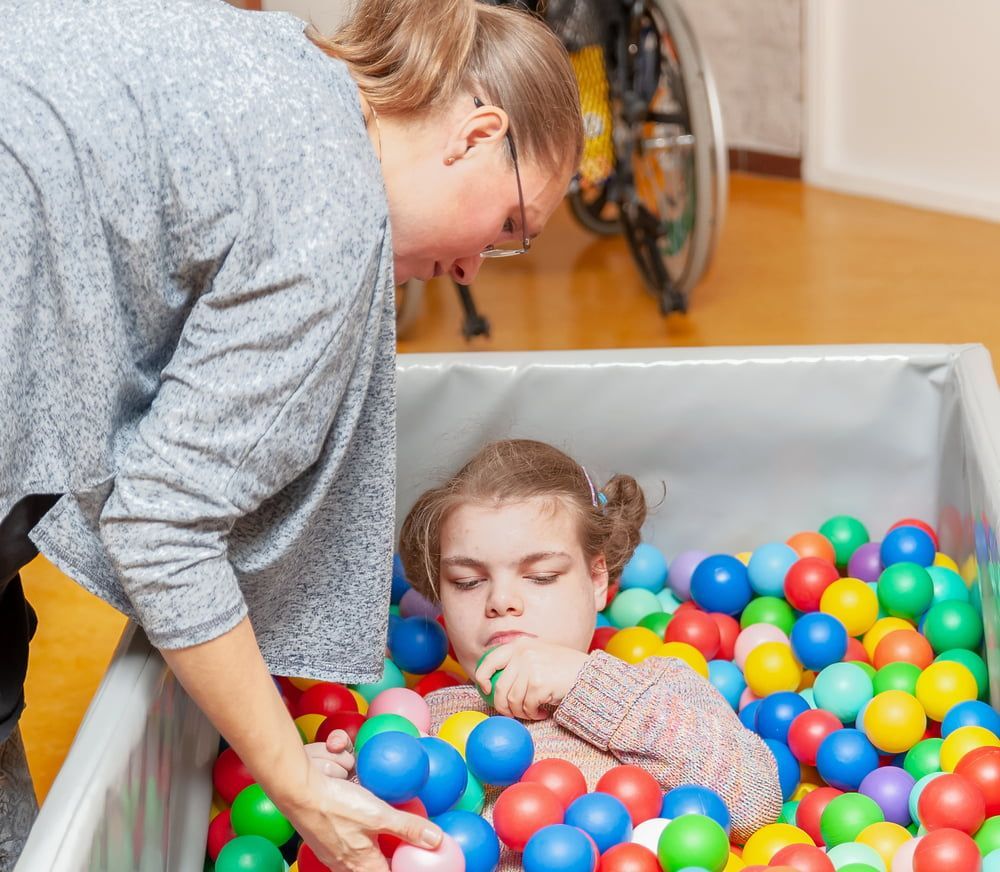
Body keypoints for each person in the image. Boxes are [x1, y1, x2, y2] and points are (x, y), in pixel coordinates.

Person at [0, 0, 583, 868]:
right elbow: (162, 528)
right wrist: (293, 780)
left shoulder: (278, 58)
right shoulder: (334, 210)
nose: (472, 269)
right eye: (509, 228)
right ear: (475, 134)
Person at [398, 439, 782, 865]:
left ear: (597, 579)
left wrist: (585, 683)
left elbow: (755, 801)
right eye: (467, 581)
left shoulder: (656, 685)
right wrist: (330, 781)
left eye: (540, 576)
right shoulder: (425, 721)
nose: (501, 600)